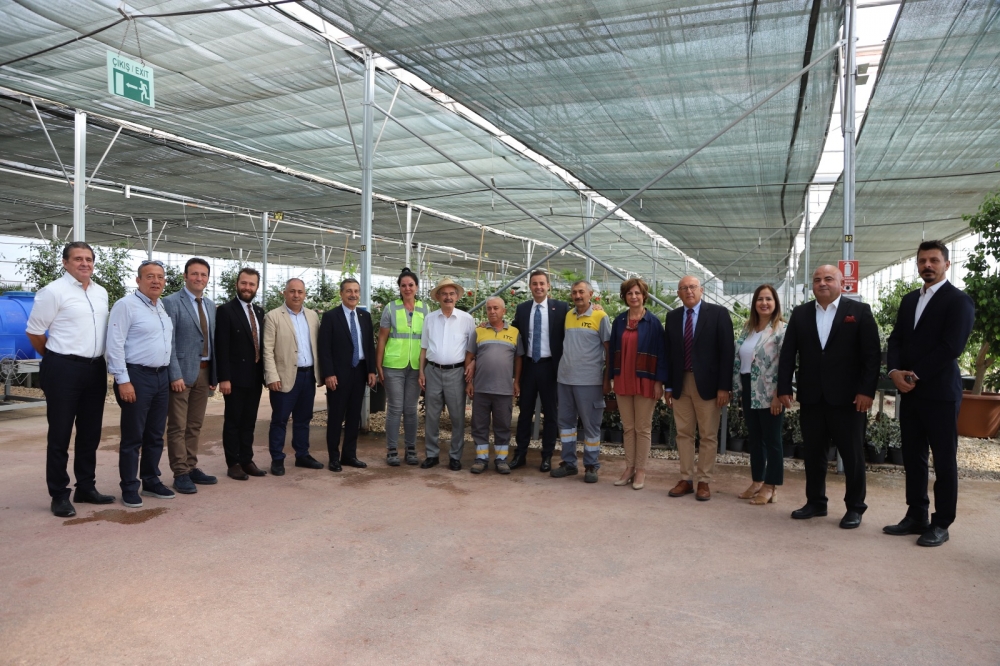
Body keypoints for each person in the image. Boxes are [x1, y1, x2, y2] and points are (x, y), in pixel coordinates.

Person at [884, 241, 975, 547]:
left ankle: (941, 522)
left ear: (946, 264)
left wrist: (914, 374)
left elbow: (951, 346)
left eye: (934, 260)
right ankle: (916, 515)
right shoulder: (910, 300)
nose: (928, 265)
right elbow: (896, 339)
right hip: (910, 393)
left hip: (940, 394)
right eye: (923, 260)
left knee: (944, 461)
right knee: (913, 457)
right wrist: (894, 372)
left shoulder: (958, 301)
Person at [778, 265, 879, 529]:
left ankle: (855, 507)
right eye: (817, 279)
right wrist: (784, 387)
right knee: (813, 454)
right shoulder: (800, 314)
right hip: (812, 396)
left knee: (852, 456)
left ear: (841, 283)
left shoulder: (859, 312)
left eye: (828, 278)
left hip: (849, 399)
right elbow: (788, 353)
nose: (822, 283)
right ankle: (815, 502)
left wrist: (866, 391)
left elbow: (871, 355)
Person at [26, 241, 113, 517]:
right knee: (60, 433)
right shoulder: (53, 292)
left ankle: (86, 487)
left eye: (89, 259)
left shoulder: (101, 292)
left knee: (90, 433)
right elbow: (34, 332)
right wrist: (55, 358)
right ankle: (59, 494)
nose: (84, 263)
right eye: (78, 259)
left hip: (95, 369)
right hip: (63, 368)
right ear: (65, 263)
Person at [106, 259, 175, 508]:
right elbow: (114, 344)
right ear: (138, 280)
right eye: (150, 276)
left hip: (161, 376)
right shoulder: (126, 305)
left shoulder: (160, 307)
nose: (156, 281)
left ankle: (151, 480)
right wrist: (123, 380)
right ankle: (129, 486)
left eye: (160, 277)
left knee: (155, 434)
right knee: (133, 436)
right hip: (137, 376)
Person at [664, 275, 735, 501]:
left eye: (693, 287)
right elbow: (669, 354)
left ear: (701, 290)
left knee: (708, 435)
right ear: (678, 293)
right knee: (683, 433)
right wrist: (668, 386)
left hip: (709, 385)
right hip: (680, 382)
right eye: (684, 288)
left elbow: (727, 352)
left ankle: (704, 481)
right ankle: (686, 479)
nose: (689, 291)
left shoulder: (718, 314)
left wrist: (724, 387)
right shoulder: (673, 317)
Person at [162, 258, 218, 494]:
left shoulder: (211, 305)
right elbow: (169, 342)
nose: (199, 278)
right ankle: (180, 472)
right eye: (194, 274)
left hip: (204, 372)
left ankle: (191, 466)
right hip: (181, 374)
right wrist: (174, 374)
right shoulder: (171, 302)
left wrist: (214, 375)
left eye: (203, 275)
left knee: (195, 424)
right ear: (185, 276)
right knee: (178, 426)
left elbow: (213, 342)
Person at [607, 278, 667, 490]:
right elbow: (612, 351)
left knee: (642, 428)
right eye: (630, 293)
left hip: (646, 379)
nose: (634, 297)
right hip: (623, 378)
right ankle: (629, 468)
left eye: (637, 293)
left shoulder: (653, 323)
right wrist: (611, 377)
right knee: (628, 427)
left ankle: (641, 469)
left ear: (644, 296)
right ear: (625, 297)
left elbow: (662, 354)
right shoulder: (619, 321)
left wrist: (659, 382)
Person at [550, 280, 611, 483]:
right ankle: (569, 463)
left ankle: (591, 465)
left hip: (589, 381)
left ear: (590, 294)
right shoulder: (568, 315)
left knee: (591, 425)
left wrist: (607, 378)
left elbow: (609, 349)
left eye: (581, 292)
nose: (577, 296)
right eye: (574, 292)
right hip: (565, 379)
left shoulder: (600, 316)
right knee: (566, 424)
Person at [509, 270, 569, 471]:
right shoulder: (523, 308)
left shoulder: (561, 308)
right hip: (529, 367)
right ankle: (520, 454)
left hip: (550, 367)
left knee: (551, 413)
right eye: (534, 284)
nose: (538, 287)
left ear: (548, 285)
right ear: (530, 287)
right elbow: (513, 331)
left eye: (542, 283)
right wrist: (490, 325)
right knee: (524, 412)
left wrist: (595, 308)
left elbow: (576, 319)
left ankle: (547, 456)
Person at [263, 278, 323, 475]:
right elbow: (267, 350)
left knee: (303, 419)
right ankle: (277, 458)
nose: (296, 295)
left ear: (305, 294)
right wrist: (272, 376)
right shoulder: (273, 316)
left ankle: (302, 455)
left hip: (308, 376)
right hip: (284, 377)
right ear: (285, 293)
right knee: (280, 420)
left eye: (300, 292)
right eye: (292, 291)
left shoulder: (312, 316)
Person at [732, 284, 786, 505]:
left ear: (775, 303)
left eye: (768, 299)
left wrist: (779, 395)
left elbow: (786, 365)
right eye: (760, 299)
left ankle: (771, 486)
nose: (764, 303)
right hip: (748, 387)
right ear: (754, 303)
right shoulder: (748, 328)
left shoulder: (781, 329)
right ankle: (757, 481)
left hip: (770, 390)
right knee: (755, 439)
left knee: (772, 440)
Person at [318, 278, 377, 472]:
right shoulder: (330, 317)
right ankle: (334, 458)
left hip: (359, 372)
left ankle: (349, 455)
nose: (353, 295)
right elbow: (324, 348)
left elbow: (369, 346)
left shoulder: (364, 316)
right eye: (349, 291)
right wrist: (328, 374)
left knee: (354, 416)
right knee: (336, 417)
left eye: (356, 291)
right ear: (341, 294)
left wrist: (371, 370)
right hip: (338, 375)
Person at [215, 267, 267, 481]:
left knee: (249, 421)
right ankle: (233, 463)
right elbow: (222, 346)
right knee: (233, 421)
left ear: (257, 287)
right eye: (244, 283)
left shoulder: (259, 312)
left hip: (255, 377)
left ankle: (247, 460)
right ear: (237, 284)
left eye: (251, 284)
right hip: (235, 378)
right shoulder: (226, 311)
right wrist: (224, 378)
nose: (247, 287)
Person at [418, 277, 476, 470]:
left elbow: (472, 350)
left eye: (451, 294)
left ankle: (455, 457)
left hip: (457, 373)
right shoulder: (429, 319)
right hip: (433, 371)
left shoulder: (467, 320)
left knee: (457, 417)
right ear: (438, 297)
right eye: (444, 294)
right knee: (432, 416)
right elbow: (424, 348)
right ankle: (432, 455)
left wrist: (472, 366)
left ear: (457, 297)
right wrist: (421, 372)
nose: (448, 297)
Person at [375, 267, 429, 466]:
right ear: (399, 288)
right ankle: (391, 450)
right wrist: (379, 365)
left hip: (416, 366)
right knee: (395, 408)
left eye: (411, 285)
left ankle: (411, 449)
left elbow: (427, 340)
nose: (407, 288)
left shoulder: (425, 309)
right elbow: (382, 338)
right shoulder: (391, 308)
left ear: (417, 287)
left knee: (411, 409)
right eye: (403, 285)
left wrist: (424, 368)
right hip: (393, 365)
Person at [465, 297, 523, 474]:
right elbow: (469, 356)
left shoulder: (514, 333)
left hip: (504, 390)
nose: (492, 311)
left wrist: (516, 381)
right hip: (481, 389)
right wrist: (469, 382)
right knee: (479, 425)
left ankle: (501, 459)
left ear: (504, 311)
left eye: (496, 308)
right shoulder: (479, 331)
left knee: (503, 425)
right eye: (489, 308)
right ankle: (481, 459)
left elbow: (518, 359)